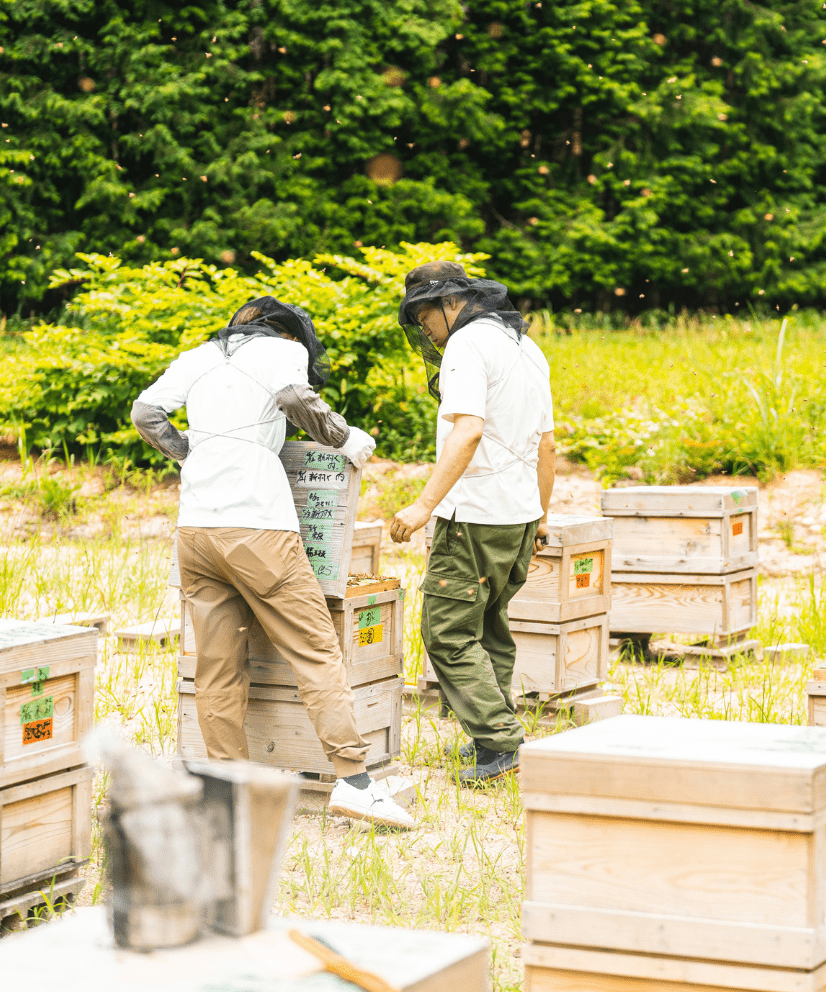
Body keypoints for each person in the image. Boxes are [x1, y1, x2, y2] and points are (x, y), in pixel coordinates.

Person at [131, 296, 416, 828]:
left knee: (216, 668)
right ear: (285, 334)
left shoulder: (197, 357)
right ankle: (355, 782)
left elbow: (145, 413)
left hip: (195, 530)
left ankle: (224, 792)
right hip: (259, 528)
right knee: (315, 650)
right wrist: (345, 438)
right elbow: (296, 399)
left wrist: (188, 450)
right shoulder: (280, 355)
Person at [390, 262, 555, 784]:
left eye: (424, 314)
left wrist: (423, 505)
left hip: (475, 514)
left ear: (449, 303)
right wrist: (542, 516)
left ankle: (502, 744)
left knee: (446, 632)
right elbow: (547, 445)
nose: (424, 328)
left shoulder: (467, 345)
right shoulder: (527, 347)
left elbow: (469, 431)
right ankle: (491, 734)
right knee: (489, 628)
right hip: (519, 516)